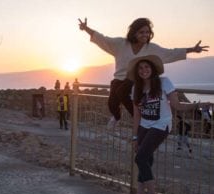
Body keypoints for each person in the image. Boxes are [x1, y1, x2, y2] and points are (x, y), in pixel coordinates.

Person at [78, 17, 209, 129]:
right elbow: (102, 39)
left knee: (122, 92)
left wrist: (192, 49)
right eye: (141, 32)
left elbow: (170, 52)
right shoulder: (120, 44)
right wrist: (86, 28)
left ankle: (139, 119)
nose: (145, 35)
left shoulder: (151, 48)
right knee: (112, 103)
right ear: (134, 32)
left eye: (147, 32)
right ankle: (117, 117)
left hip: (135, 79)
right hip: (118, 79)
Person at [127, 55, 209, 194]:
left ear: (153, 68)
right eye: (141, 68)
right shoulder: (136, 88)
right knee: (145, 159)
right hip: (144, 125)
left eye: (147, 67)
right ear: (137, 72)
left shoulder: (164, 82)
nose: (144, 70)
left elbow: (177, 105)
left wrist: (198, 105)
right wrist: (135, 136)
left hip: (161, 125)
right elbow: (136, 114)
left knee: (141, 158)